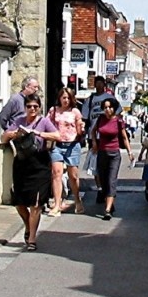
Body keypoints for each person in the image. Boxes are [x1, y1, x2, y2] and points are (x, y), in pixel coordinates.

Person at [0, 92, 60, 251]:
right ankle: (28, 225)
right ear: (25, 107)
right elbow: (3, 138)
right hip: (21, 164)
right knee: (19, 203)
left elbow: (57, 136)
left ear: (39, 108)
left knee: (36, 204)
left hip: (39, 164)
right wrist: (14, 134)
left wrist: (38, 133)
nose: (32, 109)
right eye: (29, 106)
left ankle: (32, 238)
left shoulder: (44, 121)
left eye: (35, 106)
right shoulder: (19, 121)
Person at [91, 97, 134, 220]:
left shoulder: (118, 121)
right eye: (105, 107)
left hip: (114, 154)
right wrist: (94, 142)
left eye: (109, 107)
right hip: (102, 153)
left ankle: (107, 209)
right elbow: (93, 131)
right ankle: (109, 202)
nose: (107, 110)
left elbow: (124, 137)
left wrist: (130, 152)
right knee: (103, 181)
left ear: (114, 108)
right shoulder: (100, 119)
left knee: (111, 181)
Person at [46, 87, 85, 215]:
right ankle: (57, 204)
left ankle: (77, 200)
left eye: (68, 98)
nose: (66, 100)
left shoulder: (75, 112)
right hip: (57, 145)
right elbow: (47, 124)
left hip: (72, 145)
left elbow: (80, 129)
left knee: (73, 176)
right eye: (64, 97)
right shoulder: (53, 111)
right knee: (56, 173)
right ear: (59, 98)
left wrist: (81, 129)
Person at [82, 76, 117, 201]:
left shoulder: (110, 99)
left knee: (108, 164)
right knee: (96, 164)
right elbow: (85, 118)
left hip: (108, 136)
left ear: (104, 85)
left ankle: (107, 187)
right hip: (94, 136)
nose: (99, 86)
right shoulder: (90, 99)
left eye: (101, 84)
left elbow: (118, 114)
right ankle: (100, 189)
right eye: (97, 84)